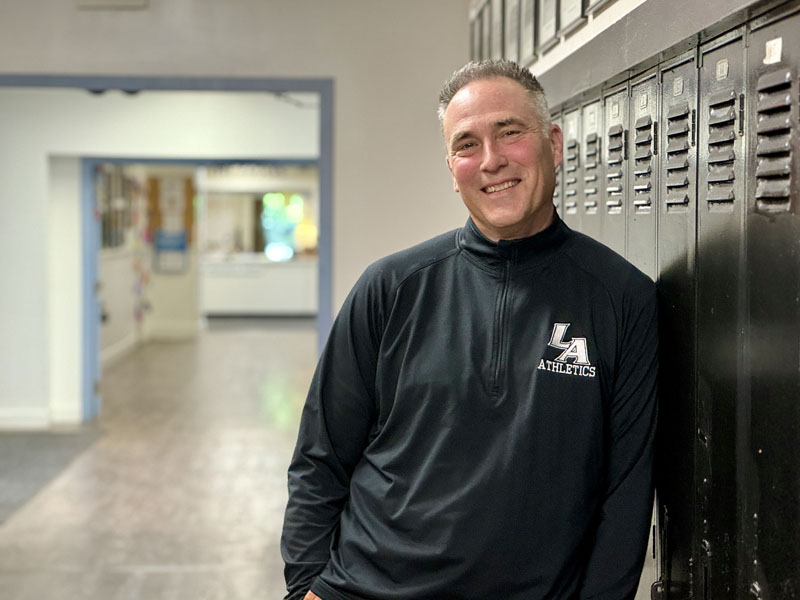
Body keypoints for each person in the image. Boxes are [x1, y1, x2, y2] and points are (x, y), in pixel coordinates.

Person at [281, 60, 658, 600]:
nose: (491, 161)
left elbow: (626, 494)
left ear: (553, 142)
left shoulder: (622, 298)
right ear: (451, 168)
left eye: (510, 133)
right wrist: (304, 589)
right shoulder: (391, 288)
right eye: (467, 144)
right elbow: (321, 456)